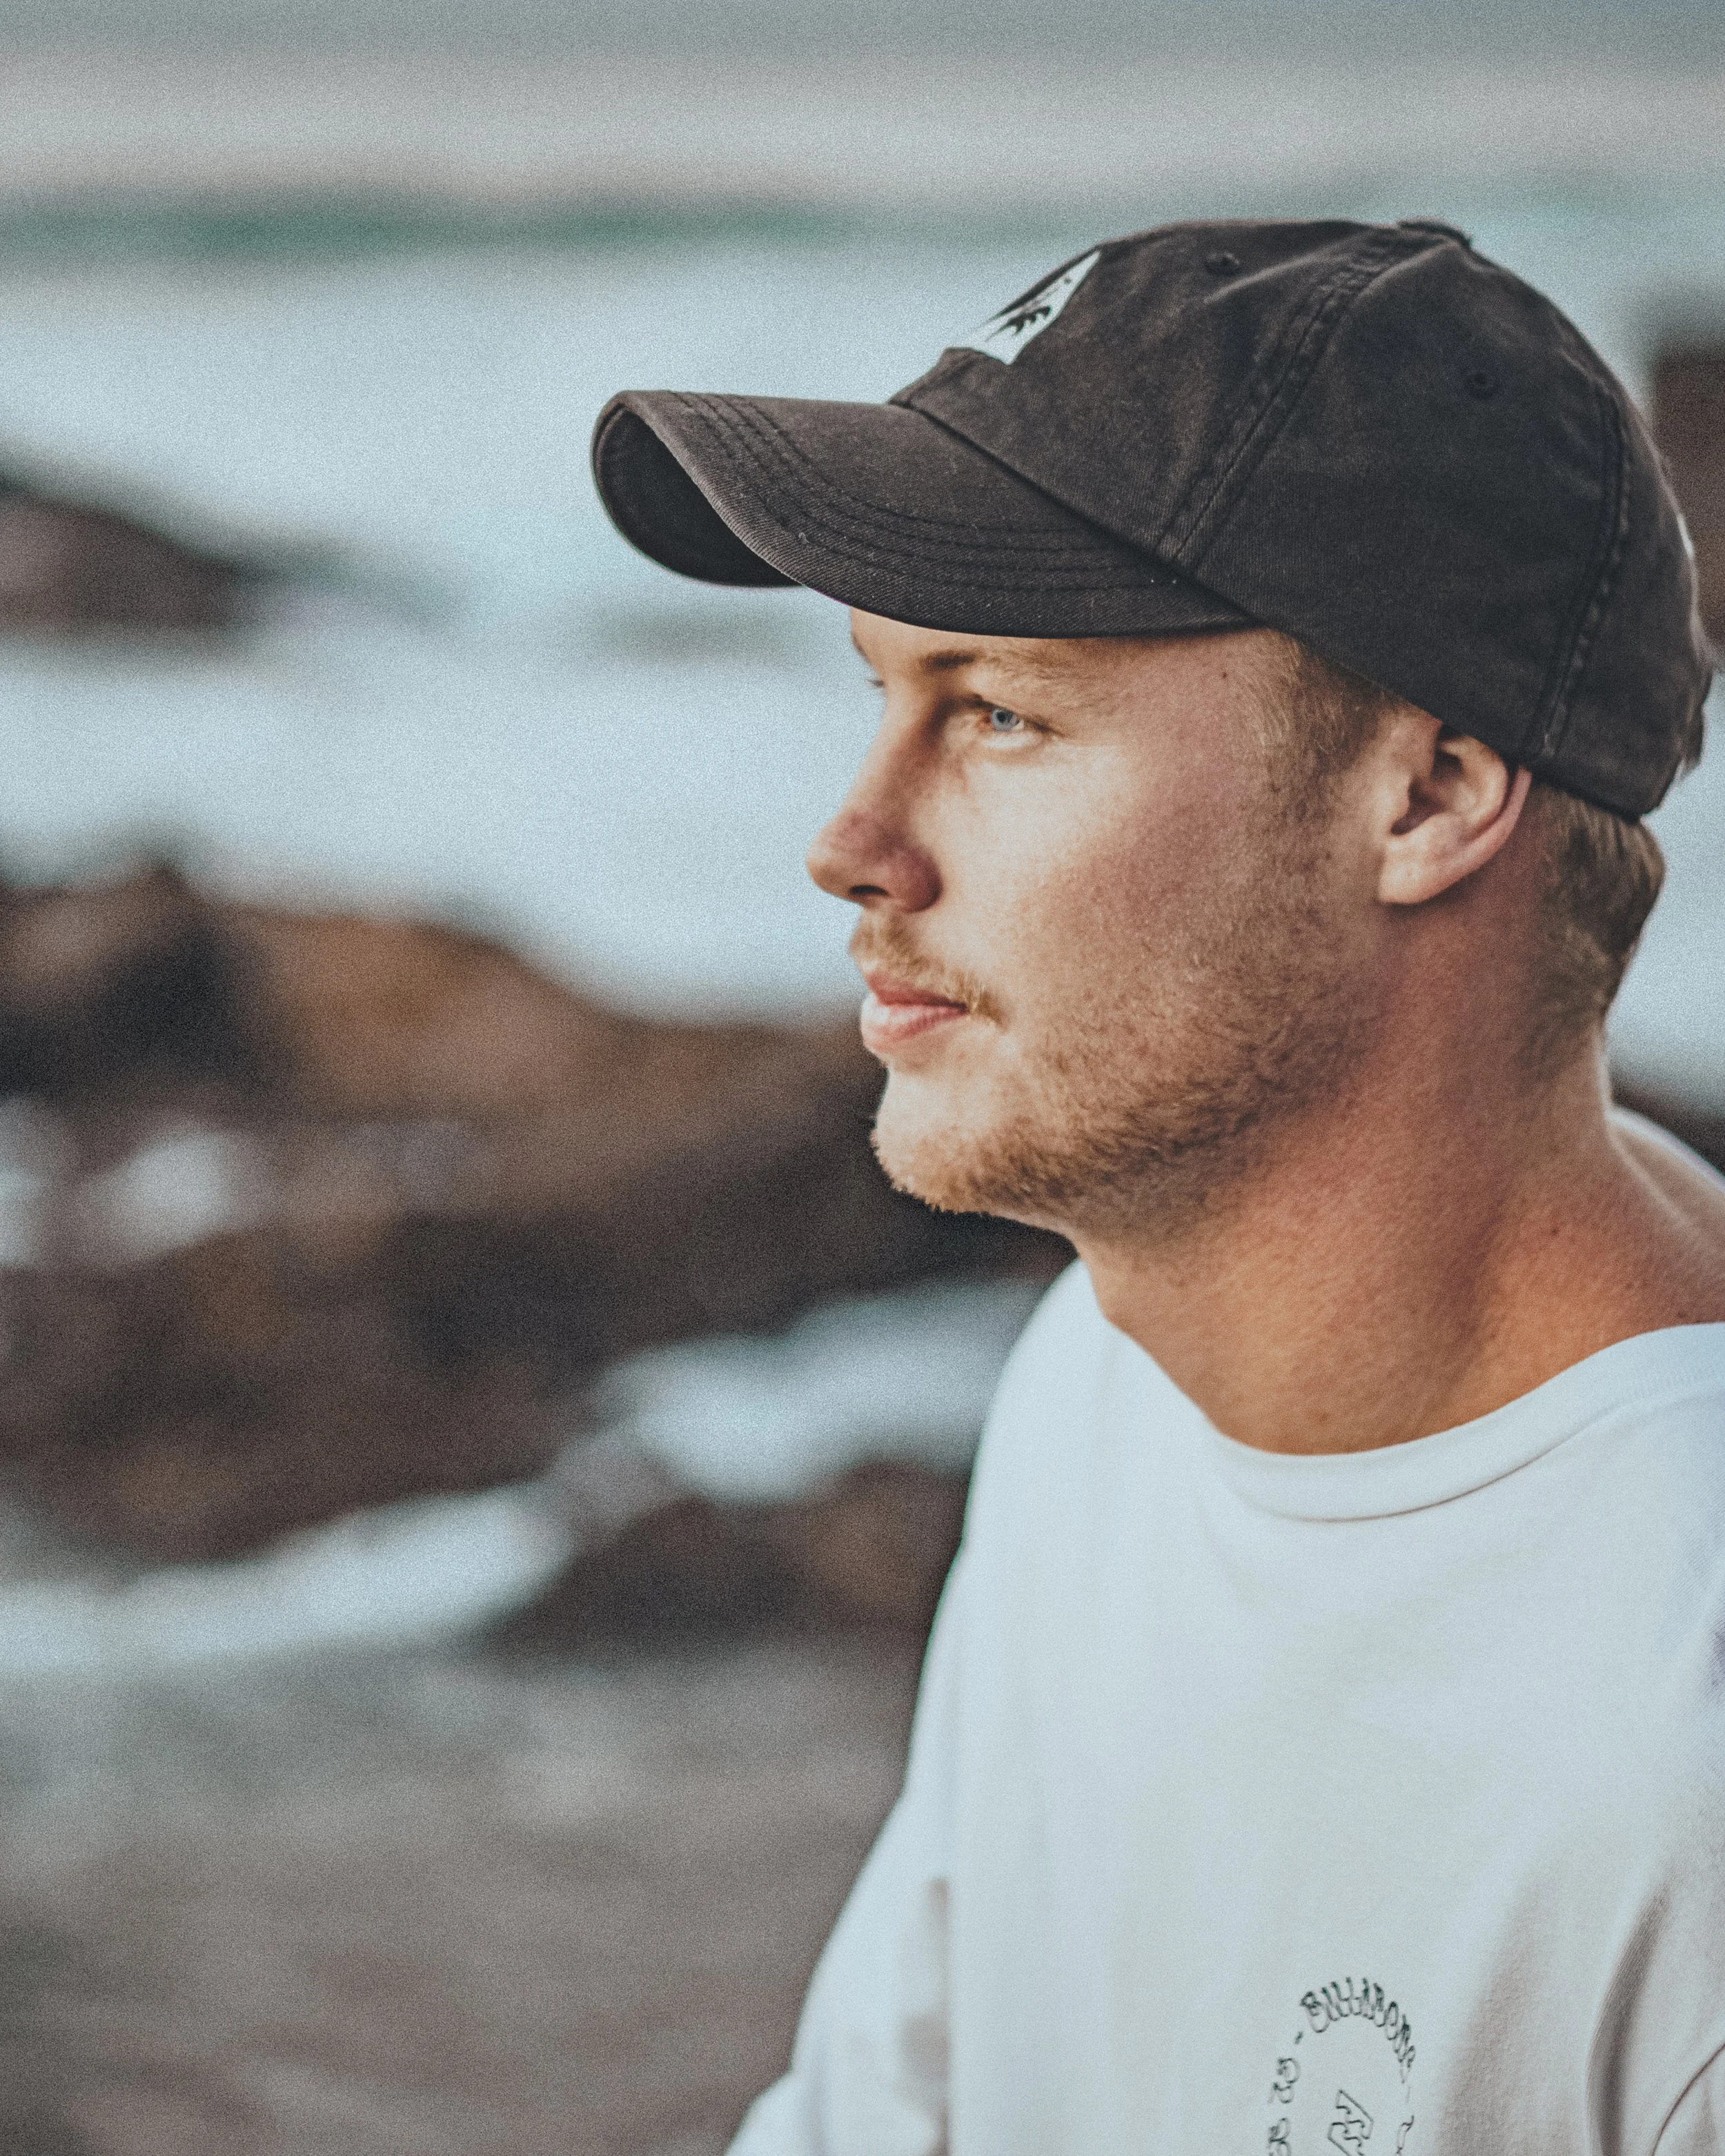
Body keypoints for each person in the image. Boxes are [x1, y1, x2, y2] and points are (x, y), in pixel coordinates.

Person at [591, 218, 1725, 2154]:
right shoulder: (1104, 1379)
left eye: (999, 710)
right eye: (876, 693)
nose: (849, 843)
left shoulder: (1673, 1743)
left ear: (1432, 791)